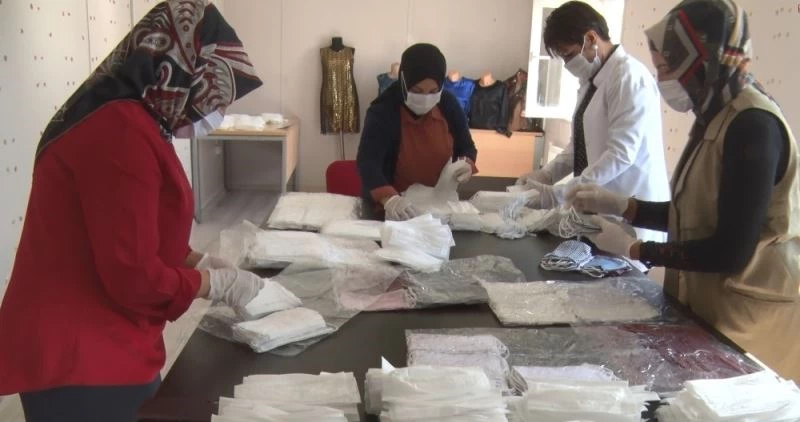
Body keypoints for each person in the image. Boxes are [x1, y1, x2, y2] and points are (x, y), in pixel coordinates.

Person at [0, 1, 266, 420]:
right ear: (183, 71)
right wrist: (212, 284)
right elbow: (132, 274)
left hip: (97, 334)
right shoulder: (120, 130)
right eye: (215, 95)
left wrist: (194, 260)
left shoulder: (132, 117)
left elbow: (128, 229)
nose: (218, 112)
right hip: (80, 353)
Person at [569, 0, 800, 381]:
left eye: (667, 69)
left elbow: (731, 249)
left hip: (749, 319)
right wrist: (624, 207)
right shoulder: (716, 114)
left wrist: (635, 249)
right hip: (711, 303)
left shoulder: (753, 126)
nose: (663, 81)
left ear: (703, 60)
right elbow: (694, 213)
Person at [516, 1, 669, 245]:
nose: (567, 64)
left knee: (622, 262)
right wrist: (547, 174)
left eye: (568, 54)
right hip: (598, 209)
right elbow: (579, 146)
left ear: (590, 38)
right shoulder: (591, 81)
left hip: (630, 205)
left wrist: (563, 193)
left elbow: (621, 154)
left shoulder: (628, 77)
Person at [357, 43, 478, 221]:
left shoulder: (449, 105)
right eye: (417, 91)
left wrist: (466, 164)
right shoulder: (382, 111)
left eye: (433, 91)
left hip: (439, 209)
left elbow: (466, 146)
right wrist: (390, 199)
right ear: (404, 82)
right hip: (395, 211)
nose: (425, 98)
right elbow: (368, 163)